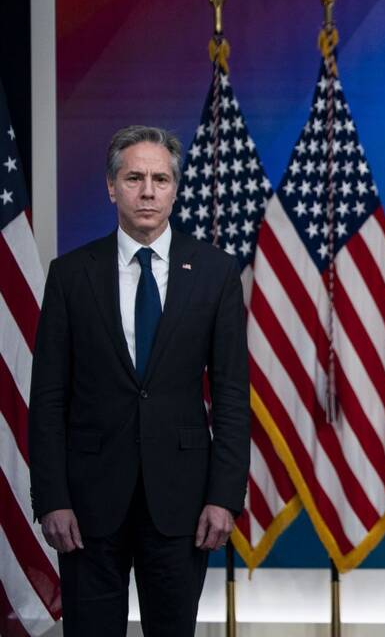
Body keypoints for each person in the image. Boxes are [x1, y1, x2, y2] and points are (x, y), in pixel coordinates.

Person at [29, 126, 250, 635]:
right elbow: (47, 399)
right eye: (134, 178)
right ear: (111, 187)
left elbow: (233, 396)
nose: (148, 191)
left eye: (160, 178)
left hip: (182, 503)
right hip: (86, 506)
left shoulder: (216, 273)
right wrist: (52, 498)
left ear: (175, 188)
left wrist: (224, 495)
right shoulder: (70, 274)